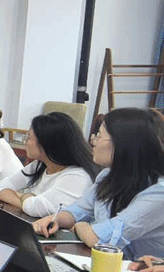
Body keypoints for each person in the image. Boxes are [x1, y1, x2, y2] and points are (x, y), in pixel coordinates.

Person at [33, 108, 164, 261]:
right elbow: (77, 211)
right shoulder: (107, 175)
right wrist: (55, 219)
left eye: (99, 136)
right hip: (104, 262)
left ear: (123, 144)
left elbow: (98, 240)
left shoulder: (159, 193)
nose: (92, 141)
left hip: (140, 271)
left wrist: (79, 226)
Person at [0, 112, 98, 217]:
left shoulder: (77, 176)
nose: (25, 141)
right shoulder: (40, 165)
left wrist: (23, 197)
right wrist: (26, 200)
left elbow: (35, 208)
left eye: (28, 137)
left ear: (46, 143)